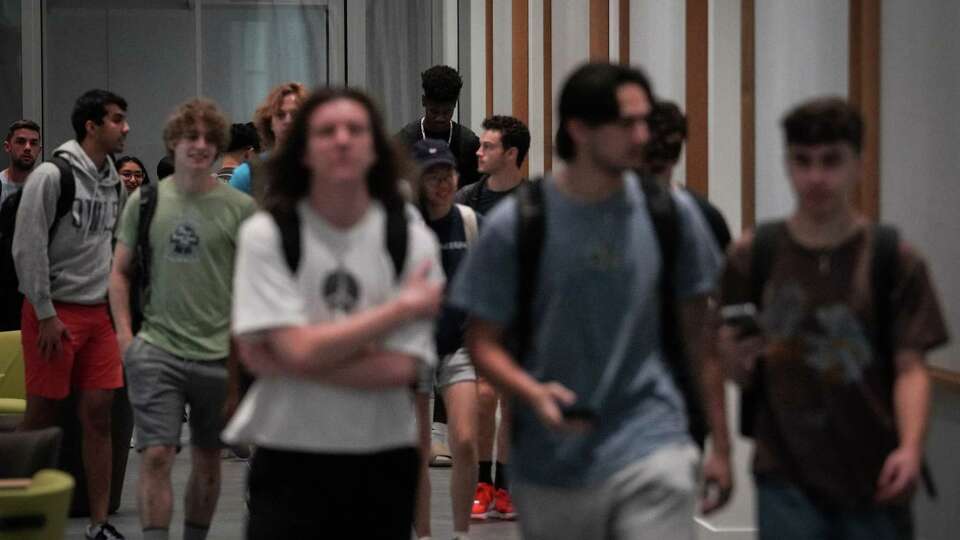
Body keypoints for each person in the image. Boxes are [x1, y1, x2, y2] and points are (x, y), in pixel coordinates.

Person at [449, 62, 727, 540]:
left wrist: (719, 443)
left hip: (654, 443)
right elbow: (483, 339)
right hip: (552, 459)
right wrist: (531, 392)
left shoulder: (672, 216)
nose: (644, 135)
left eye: (645, 121)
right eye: (627, 123)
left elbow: (701, 337)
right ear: (579, 129)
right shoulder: (519, 224)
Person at [717, 97, 949, 540]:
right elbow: (734, 368)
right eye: (802, 162)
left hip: (873, 470)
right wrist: (734, 358)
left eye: (831, 161)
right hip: (786, 474)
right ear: (787, 164)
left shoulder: (893, 260)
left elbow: (911, 367)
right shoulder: (753, 255)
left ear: (858, 164)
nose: (816, 177)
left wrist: (911, 447)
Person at [222, 87, 444, 539]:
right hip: (287, 454)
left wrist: (296, 357)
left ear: (376, 148)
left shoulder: (410, 237)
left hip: (382, 456)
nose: (342, 139)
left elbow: (402, 365)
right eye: (326, 130)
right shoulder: (266, 235)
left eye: (355, 129)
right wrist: (398, 310)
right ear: (303, 148)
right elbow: (263, 354)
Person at [109, 99, 256, 540]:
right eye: (189, 137)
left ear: (218, 147)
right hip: (157, 350)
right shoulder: (146, 201)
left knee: (209, 458)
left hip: (216, 356)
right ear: (173, 143)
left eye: (209, 139)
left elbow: (249, 290)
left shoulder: (240, 209)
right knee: (156, 454)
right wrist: (125, 340)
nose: (199, 145)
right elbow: (118, 273)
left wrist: (239, 367)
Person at [14, 89, 129, 540]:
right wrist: (43, 312)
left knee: (100, 415)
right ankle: (17, 514)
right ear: (91, 126)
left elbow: (113, 244)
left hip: (97, 314)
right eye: (117, 119)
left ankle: (99, 523)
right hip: (52, 313)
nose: (125, 127)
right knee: (42, 417)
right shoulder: (51, 174)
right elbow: (26, 248)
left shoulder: (113, 179)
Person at [452, 114, 531, 521]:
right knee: (484, 399)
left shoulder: (535, 203)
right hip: (481, 315)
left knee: (515, 403)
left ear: (512, 154)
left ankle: (507, 485)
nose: (478, 152)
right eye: (479, 145)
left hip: (523, 317)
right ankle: (483, 481)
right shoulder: (468, 198)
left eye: (488, 147)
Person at [410, 139, 480, 540]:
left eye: (447, 175)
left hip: (460, 344)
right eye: (432, 177)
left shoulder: (468, 221)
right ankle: (423, 533)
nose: (442, 184)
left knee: (466, 440)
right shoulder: (404, 225)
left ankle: (461, 532)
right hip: (414, 345)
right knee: (417, 451)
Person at [396, 65, 481, 188]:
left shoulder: (468, 143)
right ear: (423, 101)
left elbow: (478, 190)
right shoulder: (405, 141)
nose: (440, 118)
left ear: (455, 104)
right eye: (434, 111)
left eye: (446, 112)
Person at [228, 82, 307, 198]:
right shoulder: (247, 174)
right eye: (280, 115)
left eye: (295, 115)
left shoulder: (324, 170)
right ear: (270, 123)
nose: (288, 121)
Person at [1, 119, 42, 206]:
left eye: (33, 143)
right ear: (7, 147)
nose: (28, 147)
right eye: (21, 142)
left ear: (39, 150)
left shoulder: (46, 187)